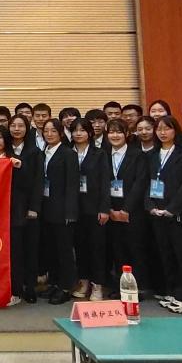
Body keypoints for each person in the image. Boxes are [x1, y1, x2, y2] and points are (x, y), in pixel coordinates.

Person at [145, 115, 182, 313]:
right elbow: (146, 182)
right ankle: (172, 292)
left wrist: (173, 208)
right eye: (158, 129)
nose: (162, 132)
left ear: (175, 130)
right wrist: (150, 206)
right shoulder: (152, 155)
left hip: (179, 213)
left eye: (167, 128)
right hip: (157, 213)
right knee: (166, 254)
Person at [0, 125, 38, 306]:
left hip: (12, 213)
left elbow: (28, 185)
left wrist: (19, 167)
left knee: (14, 253)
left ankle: (15, 290)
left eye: (0, 137)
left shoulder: (15, 159)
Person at [104, 118, 151, 297]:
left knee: (135, 248)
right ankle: (122, 286)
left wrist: (126, 209)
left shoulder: (137, 155)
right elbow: (100, 183)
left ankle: (140, 287)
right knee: (118, 250)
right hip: (111, 209)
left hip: (132, 210)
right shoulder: (103, 154)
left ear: (127, 134)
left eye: (119, 132)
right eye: (111, 132)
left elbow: (140, 183)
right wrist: (109, 208)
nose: (115, 136)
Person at [69, 118, 111, 301]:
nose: (78, 133)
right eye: (75, 130)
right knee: (80, 247)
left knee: (97, 248)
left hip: (94, 208)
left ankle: (97, 285)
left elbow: (105, 181)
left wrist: (104, 208)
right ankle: (84, 281)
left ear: (90, 133)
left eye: (82, 130)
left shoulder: (99, 154)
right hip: (74, 208)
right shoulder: (67, 152)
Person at [38, 118, 79, 305]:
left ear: (61, 133)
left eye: (53, 131)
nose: (49, 134)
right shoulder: (43, 153)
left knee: (64, 251)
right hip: (46, 208)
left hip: (63, 211)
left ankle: (66, 287)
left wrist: (70, 212)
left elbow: (72, 185)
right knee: (51, 249)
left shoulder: (68, 154)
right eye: (46, 131)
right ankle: (54, 283)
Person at [9, 115, 43, 302]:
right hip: (8, 207)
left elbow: (38, 182)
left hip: (28, 207)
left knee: (30, 248)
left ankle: (29, 287)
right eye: (13, 125)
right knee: (14, 250)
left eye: (20, 126)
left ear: (27, 128)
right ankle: (15, 287)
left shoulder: (34, 152)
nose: (16, 129)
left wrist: (34, 207)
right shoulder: (4, 150)